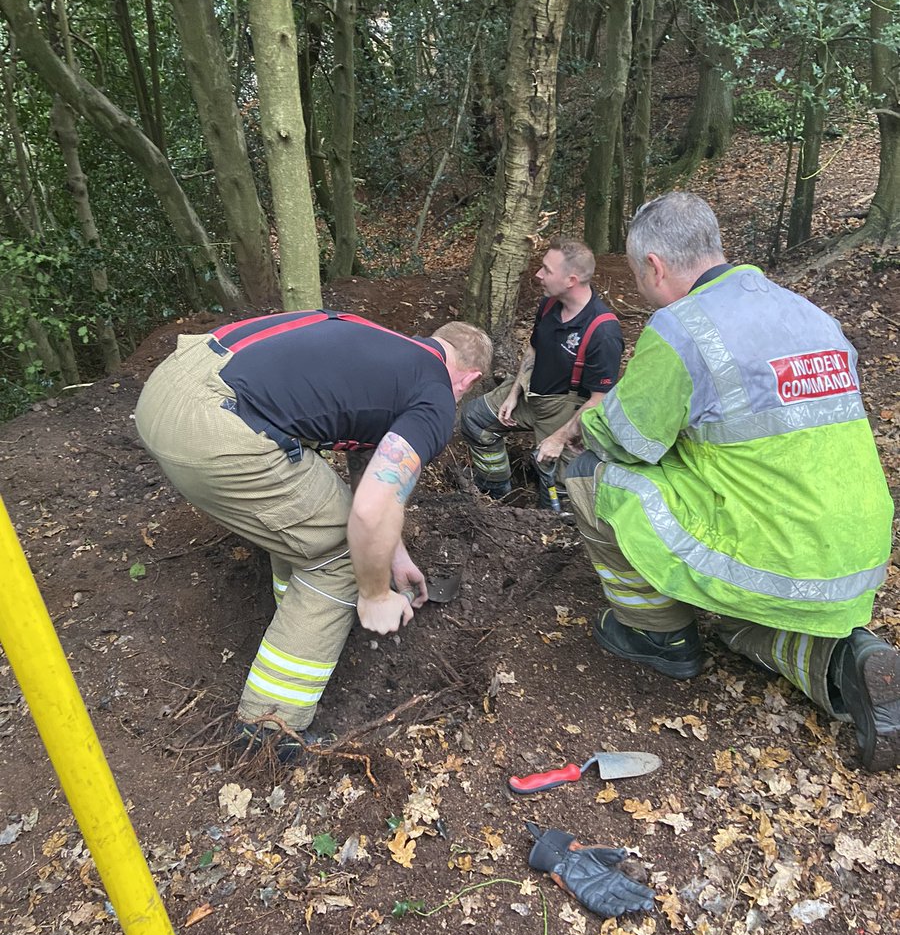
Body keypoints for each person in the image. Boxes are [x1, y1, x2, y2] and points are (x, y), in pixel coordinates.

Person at [562, 192, 899, 772]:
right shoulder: (807, 313)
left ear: (654, 266)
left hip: (772, 546)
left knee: (594, 476)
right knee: (743, 632)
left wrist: (583, 422)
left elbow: (625, 439)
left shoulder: (682, 327)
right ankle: (851, 660)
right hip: (855, 552)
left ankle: (658, 636)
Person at [134, 309, 491, 757]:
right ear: (470, 379)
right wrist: (376, 592)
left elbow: (371, 466)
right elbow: (370, 509)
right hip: (212, 425)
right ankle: (269, 730)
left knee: (314, 516)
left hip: (172, 383)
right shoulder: (436, 395)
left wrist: (394, 555)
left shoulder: (381, 347)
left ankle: (300, 614)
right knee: (340, 554)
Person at [460, 237, 624, 508]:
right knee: (474, 421)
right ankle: (496, 497)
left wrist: (560, 438)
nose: (538, 274)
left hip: (566, 413)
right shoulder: (549, 304)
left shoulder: (603, 332)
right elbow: (534, 349)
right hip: (529, 395)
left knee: (558, 493)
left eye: (547, 270)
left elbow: (600, 400)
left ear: (571, 280)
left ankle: (543, 531)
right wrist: (514, 393)